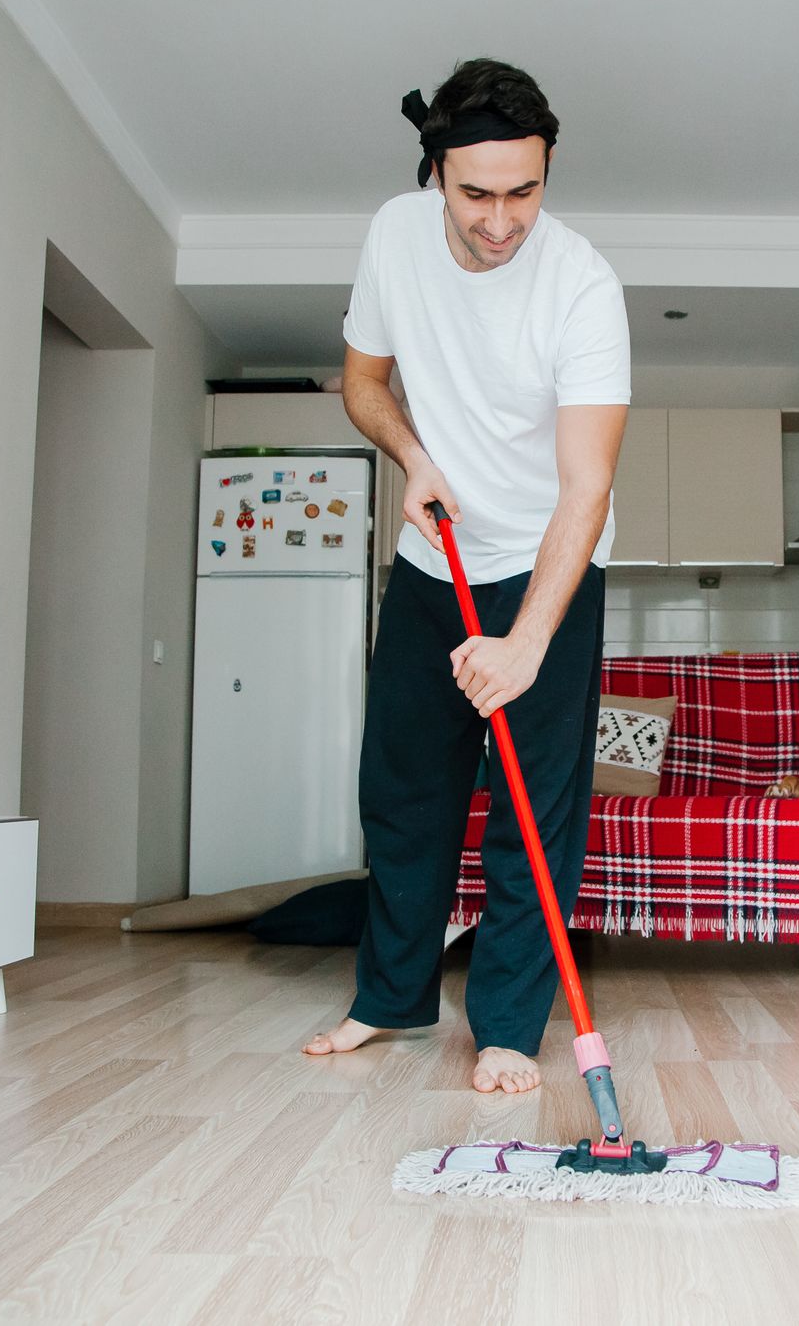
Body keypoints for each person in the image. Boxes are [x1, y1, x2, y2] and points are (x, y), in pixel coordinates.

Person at [301, 59, 630, 1094]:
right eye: (475, 193)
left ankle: (505, 1028)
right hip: (432, 552)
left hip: (548, 560)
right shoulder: (393, 236)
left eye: (523, 191)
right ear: (434, 172)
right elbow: (362, 381)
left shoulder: (582, 287)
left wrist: (525, 643)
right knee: (403, 789)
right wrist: (413, 455)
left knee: (534, 811)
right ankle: (390, 997)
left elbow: (586, 487)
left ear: (547, 170)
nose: (500, 222)